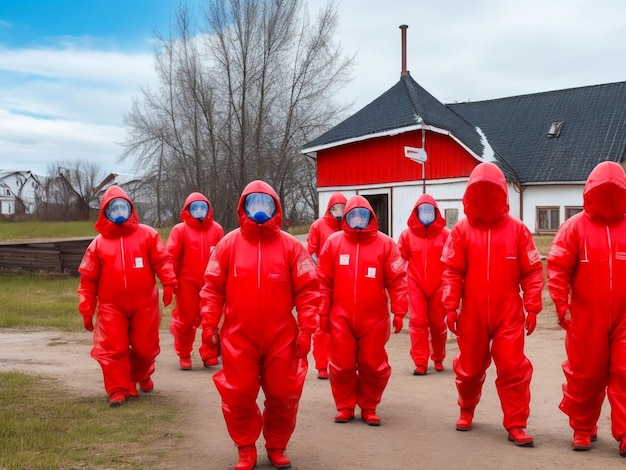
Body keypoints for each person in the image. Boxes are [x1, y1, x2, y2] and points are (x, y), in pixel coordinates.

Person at [199, 180, 320, 470]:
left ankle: (277, 446)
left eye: (266, 204)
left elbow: (308, 291)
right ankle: (245, 447)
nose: (260, 210)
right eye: (254, 204)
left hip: (281, 335)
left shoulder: (291, 247)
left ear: (276, 208)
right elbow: (212, 288)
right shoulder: (228, 244)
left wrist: (306, 329)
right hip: (238, 336)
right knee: (238, 393)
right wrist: (208, 326)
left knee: (283, 393)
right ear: (243, 208)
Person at [441, 162, 543, 447]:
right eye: (480, 192)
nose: (486, 198)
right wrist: (450, 305)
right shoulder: (461, 232)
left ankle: (516, 423)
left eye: (491, 192)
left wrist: (532, 306)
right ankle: (466, 409)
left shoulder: (518, 231)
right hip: (471, 313)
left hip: (507, 313)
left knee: (513, 368)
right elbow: (452, 271)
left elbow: (532, 272)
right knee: (470, 369)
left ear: (501, 195)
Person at [547, 161, 626, 455]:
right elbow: (557, 267)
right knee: (584, 374)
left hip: (624, 318)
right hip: (585, 317)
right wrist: (561, 304)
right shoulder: (574, 228)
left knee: (625, 373)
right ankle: (582, 427)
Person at [77, 185, 178, 408]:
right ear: (105, 212)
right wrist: (86, 309)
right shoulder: (98, 245)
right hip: (112, 305)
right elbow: (88, 280)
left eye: (123, 206)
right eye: (114, 208)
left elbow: (162, 260)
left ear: (131, 208)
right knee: (114, 348)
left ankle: (142, 374)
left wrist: (169, 282)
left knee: (145, 347)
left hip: (145, 303)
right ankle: (118, 389)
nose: (119, 212)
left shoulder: (148, 235)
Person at [316, 195, 408, 426]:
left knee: (373, 365)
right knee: (341, 364)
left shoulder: (385, 244)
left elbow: (397, 280)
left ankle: (369, 405)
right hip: (341, 317)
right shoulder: (334, 243)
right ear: (345, 217)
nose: (358, 220)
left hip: (374, 319)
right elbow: (323, 281)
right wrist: (323, 311)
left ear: (371, 217)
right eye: (353, 215)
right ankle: (345, 405)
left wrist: (399, 310)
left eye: (362, 215)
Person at [166, 192, 224, 370]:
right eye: (195, 207)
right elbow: (171, 257)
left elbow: (224, 257)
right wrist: (170, 282)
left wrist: (226, 281)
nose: (199, 210)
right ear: (187, 210)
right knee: (186, 319)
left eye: (202, 207)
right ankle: (184, 353)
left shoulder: (217, 230)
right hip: (187, 284)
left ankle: (209, 353)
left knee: (212, 319)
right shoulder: (180, 230)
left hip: (211, 284)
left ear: (208, 209)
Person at [397, 193, 450, 375]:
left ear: (436, 213)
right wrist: (398, 284)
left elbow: (453, 261)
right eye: (423, 210)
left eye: (429, 211)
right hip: (415, 283)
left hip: (439, 284)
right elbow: (399, 261)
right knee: (418, 321)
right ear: (416, 213)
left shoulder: (446, 235)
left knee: (437, 323)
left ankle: (438, 357)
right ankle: (420, 361)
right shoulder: (406, 236)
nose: (426, 214)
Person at [306, 191, 347, 379]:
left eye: (342, 207)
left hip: (345, 281)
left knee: (343, 324)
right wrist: (324, 266)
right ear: (329, 209)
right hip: (322, 281)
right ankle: (322, 365)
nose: (339, 211)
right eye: (335, 208)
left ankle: (343, 363)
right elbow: (312, 250)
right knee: (321, 325)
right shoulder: (318, 226)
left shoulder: (350, 226)